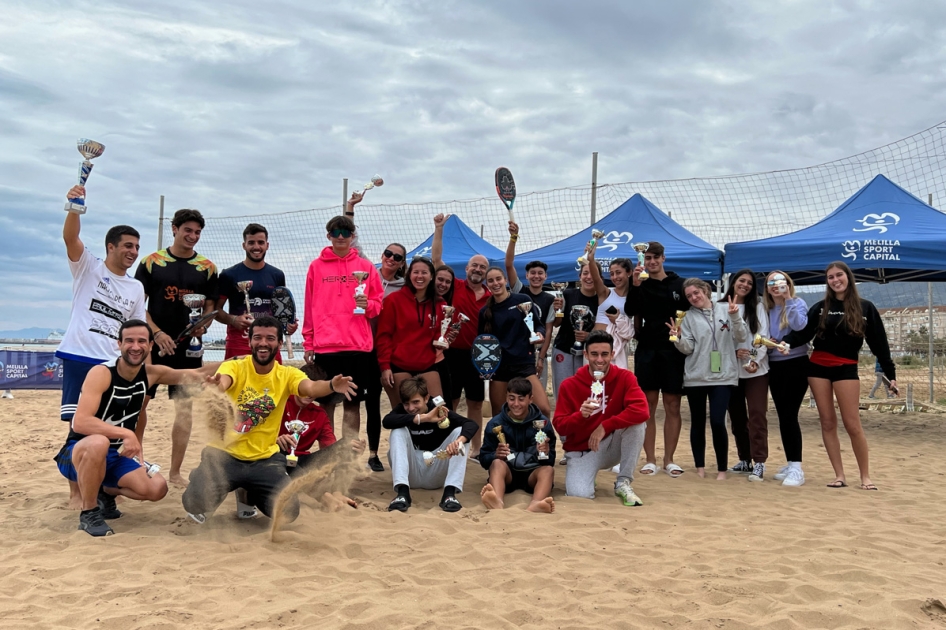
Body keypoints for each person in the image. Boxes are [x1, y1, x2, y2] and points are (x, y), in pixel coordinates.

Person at [182, 316, 359, 523]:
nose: (263, 343)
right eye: (257, 337)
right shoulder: (236, 367)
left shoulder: (287, 374)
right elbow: (223, 383)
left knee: (288, 512)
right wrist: (215, 387)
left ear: (280, 343)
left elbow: (310, 387)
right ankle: (205, 477)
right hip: (224, 455)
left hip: (264, 459)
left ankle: (249, 492)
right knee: (194, 503)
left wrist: (330, 385)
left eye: (270, 338)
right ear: (250, 342)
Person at [54, 320, 209, 536]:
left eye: (141, 341)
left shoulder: (151, 373)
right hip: (78, 453)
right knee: (99, 441)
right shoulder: (101, 373)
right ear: (119, 344)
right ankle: (89, 513)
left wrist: (236, 364)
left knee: (157, 488)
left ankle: (105, 491)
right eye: (129, 341)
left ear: (150, 345)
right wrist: (125, 433)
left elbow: (196, 373)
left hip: (111, 456)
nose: (135, 346)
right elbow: (80, 421)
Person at [57, 185, 147, 508]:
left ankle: (105, 484)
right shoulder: (89, 267)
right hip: (80, 355)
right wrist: (74, 206)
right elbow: (70, 238)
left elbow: (137, 329)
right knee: (76, 426)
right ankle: (76, 493)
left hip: (113, 364)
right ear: (111, 246)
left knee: (114, 424)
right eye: (127, 245)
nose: (133, 251)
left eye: (137, 247)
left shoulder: (136, 287)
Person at [783, 262, 896, 491]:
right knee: (827, 422)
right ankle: (839, 475)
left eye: (839, 275)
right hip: (817, 368)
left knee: (852, 424)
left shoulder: (866, 308)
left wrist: (890, 374)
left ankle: (865, 477)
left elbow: (879, 345)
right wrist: (784, 343)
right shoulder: (821, 307)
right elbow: (803, 334)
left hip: (846, 369)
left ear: (848, 277)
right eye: (830, 277)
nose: (835, 280)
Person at [135, 208, 218, 487]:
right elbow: (137, 305)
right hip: (153, 347)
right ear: (174, 229)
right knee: (140, 404)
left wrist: (203, 326)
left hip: (189, 349)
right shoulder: (151, 262)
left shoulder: (207, 268)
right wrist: (156, 334)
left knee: (184, 409)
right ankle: (135, 463)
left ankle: (174, 472)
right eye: (188, 230)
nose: (192, 236)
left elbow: (210, 307)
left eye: (197, 232)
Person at [302, 215, 383, 439]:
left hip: (357, 346)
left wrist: (367, 305)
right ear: (328, 236)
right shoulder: (316, 267)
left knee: (352, 403)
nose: (340, 237)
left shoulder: (365, 267)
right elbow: (309, 306)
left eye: (345, 233)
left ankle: (347, 456)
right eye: (335, 233)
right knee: (327, 403)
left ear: (352, 236)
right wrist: (308, 342)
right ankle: (329, 453)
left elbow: (378, 305)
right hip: (325, 346)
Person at [552, 330, 650, 505]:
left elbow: (642, 411)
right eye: (594, 354)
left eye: (605, 354)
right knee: (579, 494)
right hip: (581, 451)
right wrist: (580, 416)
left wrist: (605, 426)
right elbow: (560, 426)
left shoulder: (625, 377)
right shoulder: (569, 385)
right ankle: (587, 476)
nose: (599, 360)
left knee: (637, 425)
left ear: (612, 354)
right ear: (586, 354)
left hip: (610, 444)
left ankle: (623, 482)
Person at [623, 241, 690, 478]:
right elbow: (630, 311)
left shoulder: (680, 284)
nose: (651, 262)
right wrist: (635, 285)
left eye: (655, 257)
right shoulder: (640, 283)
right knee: (647, 407)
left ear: (663, 258)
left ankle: (669, 459)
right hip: (647, 351)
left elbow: (692, 315)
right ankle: (650, 459)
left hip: (673, 352)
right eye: (647, 258)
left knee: (672, 405)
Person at [669, 279, 747, 480]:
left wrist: (735, 316)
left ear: (706, 290)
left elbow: (741, 336)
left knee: (718, 421)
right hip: (697, 377)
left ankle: (722, 469)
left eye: (696, 293)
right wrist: (677, 337)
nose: (694, 297)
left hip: (723, 376)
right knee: (697, 422)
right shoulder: (687, 318)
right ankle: (700, 467)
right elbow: (688, 348)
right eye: (689, 296)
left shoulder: (727, 310)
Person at [431, 213, 490, 457]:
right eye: (474, 265)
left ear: (486, 272)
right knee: (451, 402)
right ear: (466, 269)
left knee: (475, 404)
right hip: (452, 354)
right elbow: (436, 261)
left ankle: (475, 449)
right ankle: (451, 443)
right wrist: (439, 229)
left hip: (478, 357)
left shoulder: (491, 295)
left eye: (482, 267)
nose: (478, 269)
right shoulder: (455, 285)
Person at [381, 376, 479, 513]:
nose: (411, 408)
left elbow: (471, 424)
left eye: (416, 402)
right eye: (406, 403)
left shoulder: (439, 409)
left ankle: (449, 494)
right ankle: (402, 494)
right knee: (397, 431)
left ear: (426, 398)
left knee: (461, 434)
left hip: (436, 469)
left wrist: (458, 441)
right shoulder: (403, 411)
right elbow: (386, 421)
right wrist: (424, 418)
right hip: (411, 473)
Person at [215, 223, 297, 361]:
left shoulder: (277, 275)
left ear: (267, 245)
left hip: (270, 344)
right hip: (239, 343)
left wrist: (288, 325)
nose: (256, 247)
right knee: (235, 382)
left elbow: (280, 310)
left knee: (272, 383)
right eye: (251, 242)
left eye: (261, 242)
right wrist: (233, 319)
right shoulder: (228, 275)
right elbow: (216, 311)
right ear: (244, 245)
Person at [478, 266, 551, 417]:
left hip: (524, 364)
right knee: (500, 415)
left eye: (498, 279)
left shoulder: (522, 300)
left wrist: (539, 334)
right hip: (499, 369)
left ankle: (540, 440)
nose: (495, 283)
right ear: (487, 284)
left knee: (543, 409)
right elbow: (482, 343)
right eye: (490, 281)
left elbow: (538, 325)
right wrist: (484, 368)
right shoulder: (484, 312)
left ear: (505, 280)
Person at [722, 269, 772, 482]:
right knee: (737, 417)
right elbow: (718, 339)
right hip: (731, 371)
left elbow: (763, 337)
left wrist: (754, 360)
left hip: (756, 371)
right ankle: (744, 458)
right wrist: (733, 354)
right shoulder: (719, 306)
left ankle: (759, 461)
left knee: (757, 414)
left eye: (750, 283)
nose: (745, 285)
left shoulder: (758, 307)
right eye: (741, 281)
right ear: (733, 282)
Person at [479, 377, 556, 513]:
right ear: (506, 397)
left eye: (521, 399)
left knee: (548, 470)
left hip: (533, 474)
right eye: (511, 398)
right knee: (496, 463)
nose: (516, 404)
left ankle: (536, 503)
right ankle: (497, 500)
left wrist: (544, 452)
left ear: (530, 399)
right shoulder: (495, 424)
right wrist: (495, 454)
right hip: (507, 474)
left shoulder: (542, 424)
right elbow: (484, 460)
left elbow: (550, 461)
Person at [376, 257, 446, 404]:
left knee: (438, 408)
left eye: (424, 272)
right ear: (409, 275)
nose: (419, 276)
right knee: (404, 413)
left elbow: (439, 333)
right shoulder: (393, 300)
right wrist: (384, 366)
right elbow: (383, 336)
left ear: (431, 276)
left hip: (427, 364)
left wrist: (443, 340)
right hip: (398, 365)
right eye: (416, 272)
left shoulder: (440, 303)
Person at [762, 271, 809, 487]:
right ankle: (791, 462)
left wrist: (788, 299)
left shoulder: (797, 303)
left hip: (796, 364)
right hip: (774, 366)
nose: (775, 286)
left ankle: (797, 467)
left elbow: (800, 326)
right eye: (771, 282)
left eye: (780, 282)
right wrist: (769, 342)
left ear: (788, 284)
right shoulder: (766, 308)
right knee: (783, 416)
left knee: (790, 415)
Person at [363, 241, 407, 472]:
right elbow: (354, 243)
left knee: (379, 402)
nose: (391, 258)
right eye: (388, 254)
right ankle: (358, 454)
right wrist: (350, 208)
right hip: (359, 345)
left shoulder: (403, 286)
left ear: (401, 264)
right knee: (356, 403)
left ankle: (377, 454)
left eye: (397, 257)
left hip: (383, 348)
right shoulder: (367, 273)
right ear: (382, 255)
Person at [504, 221, 557, 389]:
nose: (536, 276)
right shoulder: (520, 291)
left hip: (537, 353)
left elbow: (548, 331)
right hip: (516, 352)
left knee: (537, 396)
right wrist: (513, 237)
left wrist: (541, 358)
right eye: (532, 273)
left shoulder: (549, 299)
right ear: (526, 275)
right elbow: (508, 264)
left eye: (540, 273)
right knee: (515, 395)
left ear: (545, 276)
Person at [277, 363, 338, 476]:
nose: (309, 394)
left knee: (344, 447)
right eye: (306, 389)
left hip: (301, 460)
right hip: (276, 456)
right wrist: (276, 439)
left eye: (314, 390)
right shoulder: (280, 403)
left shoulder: (320, 414)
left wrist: (349, 448)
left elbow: (330, 447)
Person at [550, 262, 600, 397]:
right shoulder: (567, 294)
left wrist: (589, 336)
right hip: (563, 348)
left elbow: (604, 329)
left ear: (598, 277)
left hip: (587, 353)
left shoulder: (602, 299)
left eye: (593, 273)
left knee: (584, 393)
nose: (589, 277)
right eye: (585, 273)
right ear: (579, 276)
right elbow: (556, 323)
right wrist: (557, 310)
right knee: (563, 391)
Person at [586, 246, 634, 369]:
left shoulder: (634, 298)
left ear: (629, 272)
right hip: (595, 344)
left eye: (618, 272)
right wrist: (591, 259)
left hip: (616, 348)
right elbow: (596, 278)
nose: (614, 277)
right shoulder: (606, 293)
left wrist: (618, 319)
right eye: (612, 274)